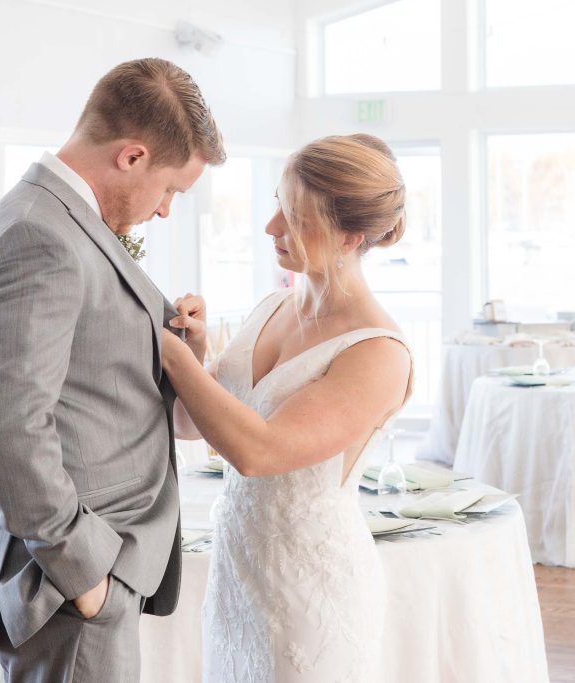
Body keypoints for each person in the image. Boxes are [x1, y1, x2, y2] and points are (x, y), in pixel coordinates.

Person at [0, 57, 225, 682]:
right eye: (170, 190)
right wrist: (84, 576)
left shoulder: (64, 221)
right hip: (66, 585)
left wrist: (180, 347)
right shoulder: (39, 234)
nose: (165, 212)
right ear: (132, 156)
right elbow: (10, 425)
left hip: (89, 572)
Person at [160, 133, 414, 682]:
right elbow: (189, 425)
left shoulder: (377, 352)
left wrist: (172, 359)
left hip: (313, 586)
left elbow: (258, 452)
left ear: (351, 236)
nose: (273, 227)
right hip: (239, 570)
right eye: (278, 204)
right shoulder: (271, 306)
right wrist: (194, 352)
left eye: (295, 217)